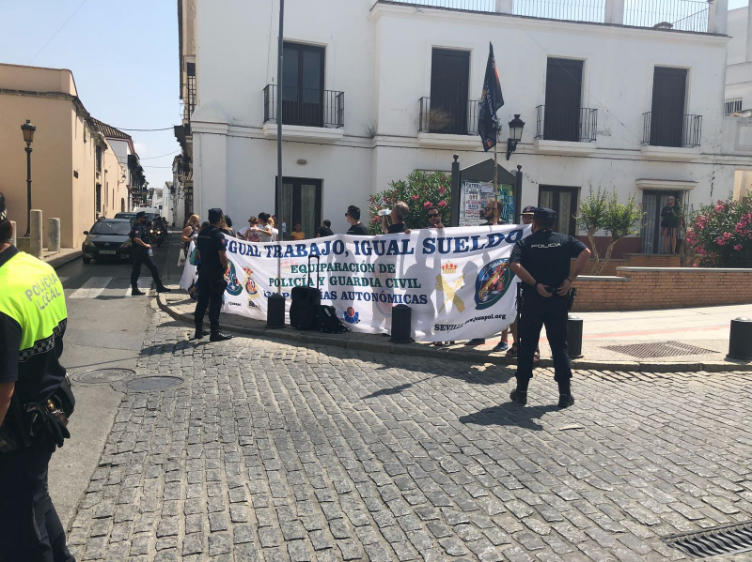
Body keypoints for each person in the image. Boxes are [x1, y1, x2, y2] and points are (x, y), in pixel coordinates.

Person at [0, 193, 76, 561]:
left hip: (17, 428)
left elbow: (3, 387)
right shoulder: (37, 268)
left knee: (20, 535)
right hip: (49, 405)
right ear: (11, 228)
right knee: (35, 500)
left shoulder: (1, 296)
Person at [509, 208, 591, 408]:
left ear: (534, 223)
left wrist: (535, 284)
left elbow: (514, 265)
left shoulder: (525, 243)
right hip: (558, 298)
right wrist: (570, 279)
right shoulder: (564, 240)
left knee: (527, 345)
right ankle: (564, 394)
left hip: (533, 300)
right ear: (553, 224)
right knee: (559, 345)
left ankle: (521, 392)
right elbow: (586, 252)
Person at [503, 206, 538, 359]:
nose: (526, 219)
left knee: (532, 315)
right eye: (524, 216)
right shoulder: (515, 233)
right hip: (514, 279)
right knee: (514, 313)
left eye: (530, 217)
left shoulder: (538, 235)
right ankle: (516, 344)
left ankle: (534, 348)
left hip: (532, 280)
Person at [194, 208, 233, 342]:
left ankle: (198, 330)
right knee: (215, 301)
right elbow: (223, 256)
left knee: (202, 300)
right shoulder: (218, 235)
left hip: (203, 270)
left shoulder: (202, 233)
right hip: (215, 271)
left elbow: (198, 253)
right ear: (220, 219)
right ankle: (215, 332)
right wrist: (225, 267)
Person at [130, 211, 171, 296]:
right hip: (141, 251)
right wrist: (146, 245)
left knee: (136, 271)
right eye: (144, 218)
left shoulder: (138, 227)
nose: (146, 219)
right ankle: (159, 286)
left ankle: (134, 289)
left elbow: (131, 235)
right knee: (153, 267)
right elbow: (136, 239)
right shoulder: (138, 227)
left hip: (137, 252)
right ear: (139, 218)